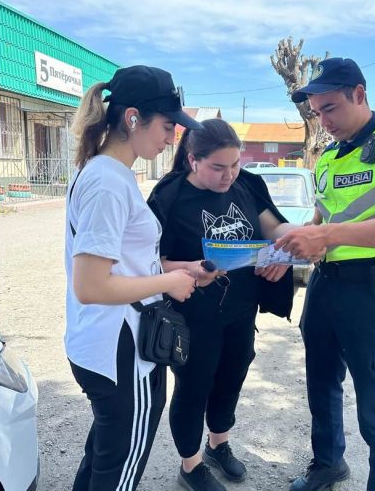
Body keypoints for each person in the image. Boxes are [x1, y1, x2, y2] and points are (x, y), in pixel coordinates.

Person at [275, 58, 375, 491]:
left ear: (360, 95)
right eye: (317, 113)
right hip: (325, 287)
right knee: (321, 383)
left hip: (373, 289)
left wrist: (326, 233)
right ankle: (328, 463)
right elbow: (322, 218)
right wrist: (291, 246)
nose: (324, 122)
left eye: (330, 108)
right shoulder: (326, 158)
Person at [65, 65, 200, 491]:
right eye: (167, 126)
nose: (171, 137)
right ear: (133, 118)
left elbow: (121, 262)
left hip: (105, 341)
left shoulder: (109, 172)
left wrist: (180, 271)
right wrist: (168, 284)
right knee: (120, 466)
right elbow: (91, 285)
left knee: (105, 454)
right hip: (120, 346)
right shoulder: (108, 182)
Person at [147, 118, 296, 491]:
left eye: (235, 164)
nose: (228, 175)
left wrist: (285, 245)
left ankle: (218, 444)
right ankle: (191, 463)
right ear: (193, 160)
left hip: (240, 308)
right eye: (218, 167)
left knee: (233, 375)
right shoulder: (170, 196)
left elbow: (272, 227)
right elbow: (146, 264)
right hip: (193, 314)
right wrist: (188, 268)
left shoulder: (248, 185)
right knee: (194, 385)